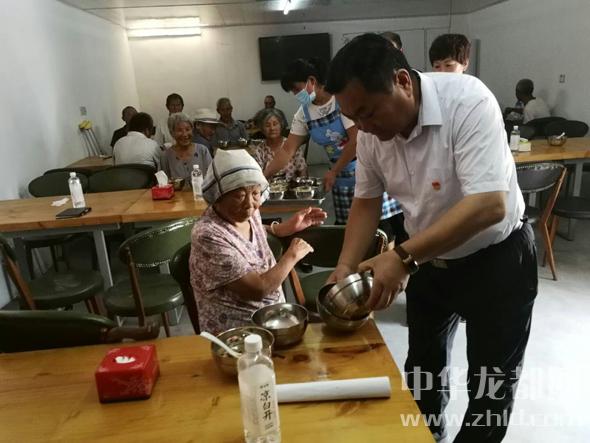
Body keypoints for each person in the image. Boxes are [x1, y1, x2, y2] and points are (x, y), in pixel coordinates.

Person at [325, 34, 537, 442]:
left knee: (491, 385)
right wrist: (346, 265)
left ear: (403, 81)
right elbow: (366, 201)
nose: (363, 128)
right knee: (423, 370)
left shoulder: (468, 102)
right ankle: (426, 435)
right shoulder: (369, 134)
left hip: (496, 260)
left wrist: (402, 257)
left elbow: (489, 204)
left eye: (368, 113)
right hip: (428, 261)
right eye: (354, 119)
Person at [264, 57, 407, 244]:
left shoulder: (341, 101)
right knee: (351, 231)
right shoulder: (304, 113)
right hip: (341, 178)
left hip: (368, 168)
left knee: (381, 229)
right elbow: (287, 149)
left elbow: (356, 140)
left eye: (297, 89)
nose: (296, 95)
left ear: (312, 81)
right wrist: (264, 175)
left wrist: (334, 171)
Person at [189, 149, 326, 334]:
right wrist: (292, 255)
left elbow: (250, 231)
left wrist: (281, 228)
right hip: (238, 333)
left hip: (271, 318)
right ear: (218, 196)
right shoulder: (207, 235)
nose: (249, 204)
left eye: (255, 193)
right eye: (239, 195)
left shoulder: (246, 213)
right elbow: (258, 290)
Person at [253, 108, 307, 181]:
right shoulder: (259, 150)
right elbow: (258, 177)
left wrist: (302, 185)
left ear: (281, 125)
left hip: (291, 186)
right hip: (268, 187)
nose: (272, 128)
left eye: (275, 124)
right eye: (267, 125)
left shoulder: (291, 145)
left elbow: (303, 171)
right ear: (262, 129)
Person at [160, 112, 212, 182]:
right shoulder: (166, 156)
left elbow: (212, 176)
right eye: (179, 130)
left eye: (187, 129)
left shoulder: (202, 150)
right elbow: (164, 183)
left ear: (192, 130)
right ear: (172, 133)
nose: (185, 134)